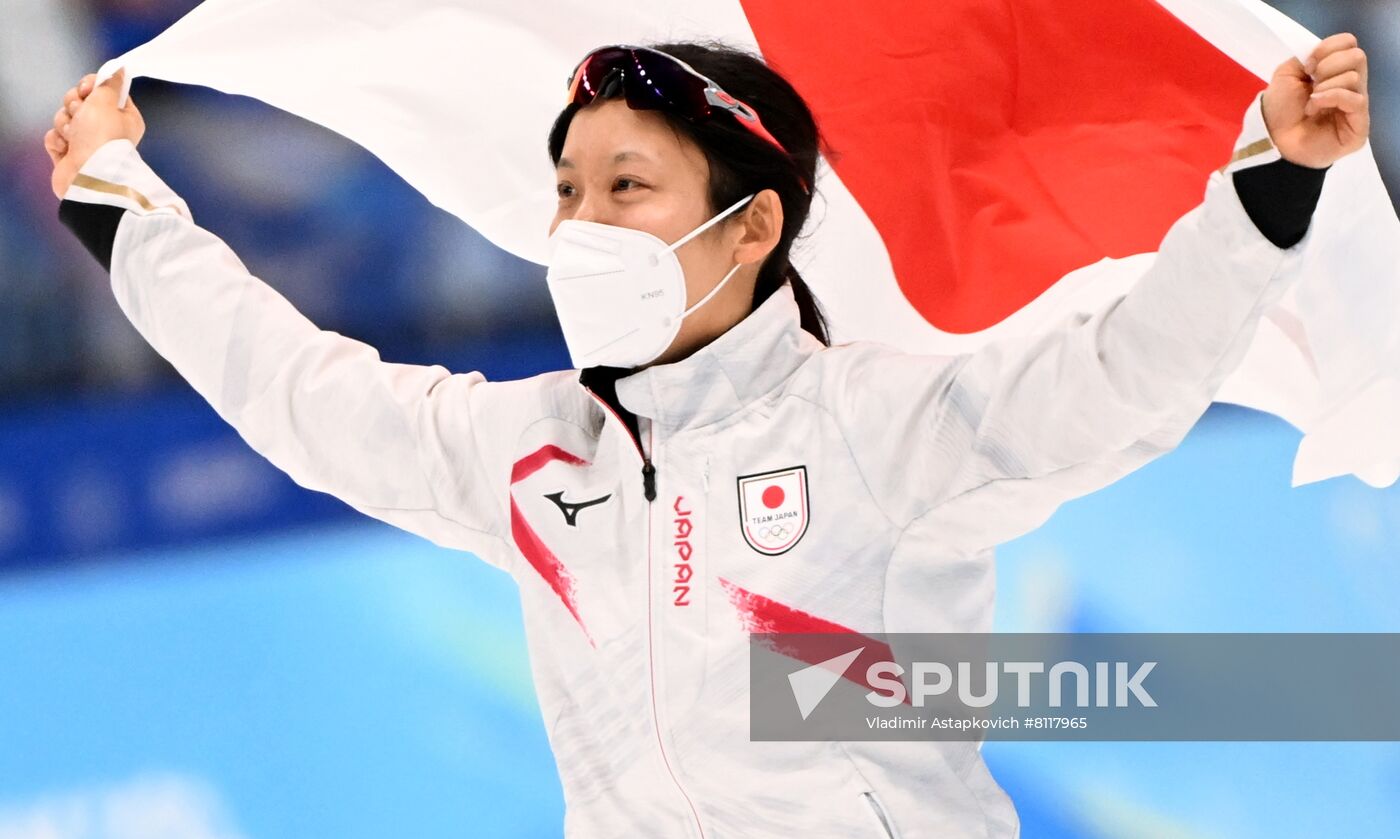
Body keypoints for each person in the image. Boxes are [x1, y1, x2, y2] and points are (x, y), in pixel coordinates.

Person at [44, 35, 1369, 839]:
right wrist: (120, 204)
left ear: (753, 227)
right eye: (568, 190)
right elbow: (296, 392)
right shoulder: (531, 453)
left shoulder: (880, 427)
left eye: (628, 187)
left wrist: (1269, 186)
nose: (581, 226)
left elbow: (1126, 372)